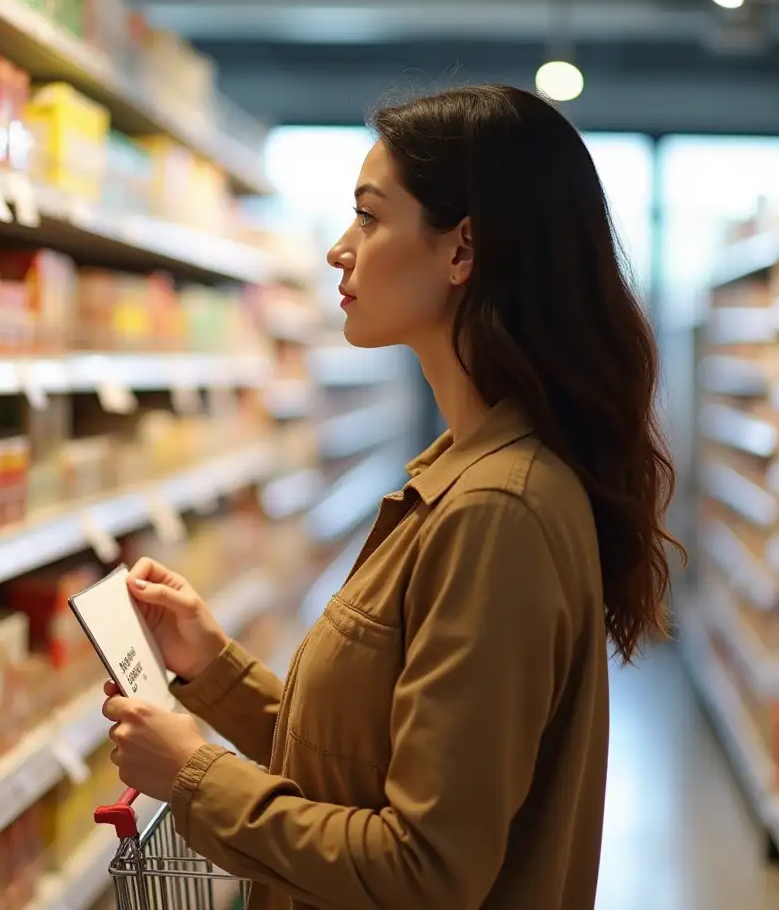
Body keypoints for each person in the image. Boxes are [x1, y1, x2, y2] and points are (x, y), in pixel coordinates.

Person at [101, 85, 683, 910]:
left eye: (370, 218)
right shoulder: (461, 475)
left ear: (462, 251)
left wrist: (194, 776)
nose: (341, 249)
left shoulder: (497, 513)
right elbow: (365, 766)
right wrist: (213, 666)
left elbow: (427, 868)